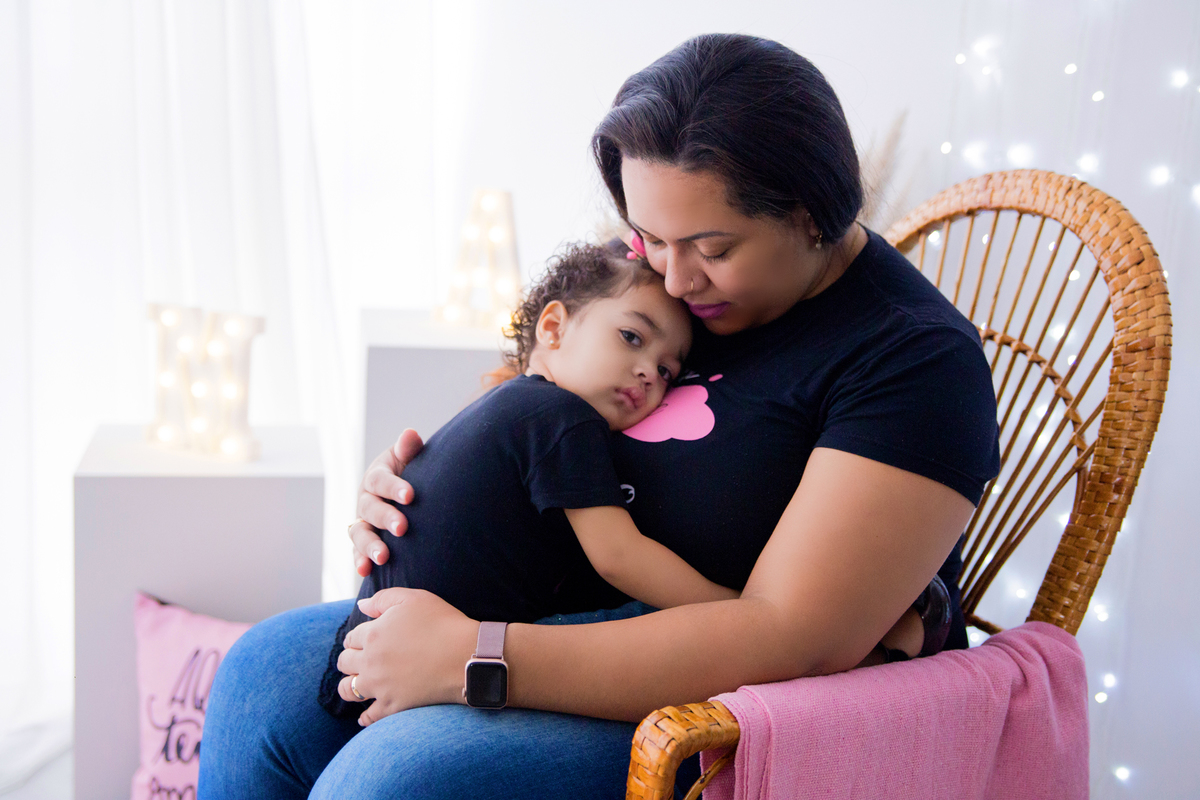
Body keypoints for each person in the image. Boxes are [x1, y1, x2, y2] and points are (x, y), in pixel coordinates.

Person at [199, 33, 999, 799]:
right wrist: (420, 479)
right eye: (649, 236)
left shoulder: (916, 365)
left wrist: (474, 658)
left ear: (813, 213)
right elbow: (532, 387)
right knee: (258, 675)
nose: (676, 280)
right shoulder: (656, 273)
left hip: (725, 700)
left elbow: (796, 640)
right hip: (555, 599)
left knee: (392, 779)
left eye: (713, 248)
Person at [318, 241, 738, 723]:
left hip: (369, 636)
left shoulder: (513, 402)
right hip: (411, 658)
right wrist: (732, 610)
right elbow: (620, 557)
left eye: (667, 371)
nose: (649, 372)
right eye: (632, 337)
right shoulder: (564, 419)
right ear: (554, 327)